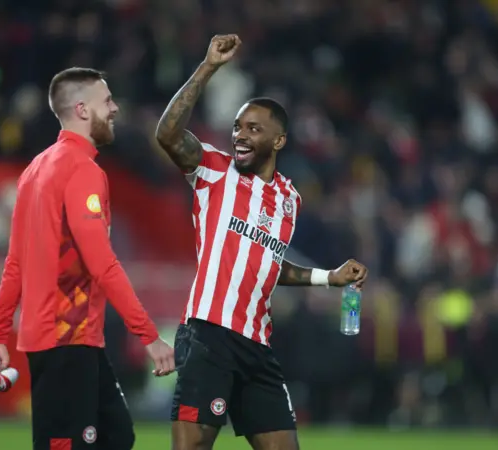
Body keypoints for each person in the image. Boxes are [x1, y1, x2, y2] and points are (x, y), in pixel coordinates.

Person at [155, 35, 369, 450]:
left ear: (279, 141)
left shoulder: (290, 199)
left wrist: (331, 278)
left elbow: (270, 266)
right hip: (208, 336)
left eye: (254, 128)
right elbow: (167, 134)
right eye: (237, 126)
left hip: (257, 345)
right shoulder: (214, 169)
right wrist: (208, 68)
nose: (240, 135)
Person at [0, 67, 175, 450]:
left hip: (64, 339)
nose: (115, 108)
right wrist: (148, 335)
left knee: (117, 434)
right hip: (65, 339)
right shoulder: (83, 171)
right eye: (107, 101)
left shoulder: (35, 169)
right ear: (82, 109)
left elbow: (14, 264)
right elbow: (102, 262)